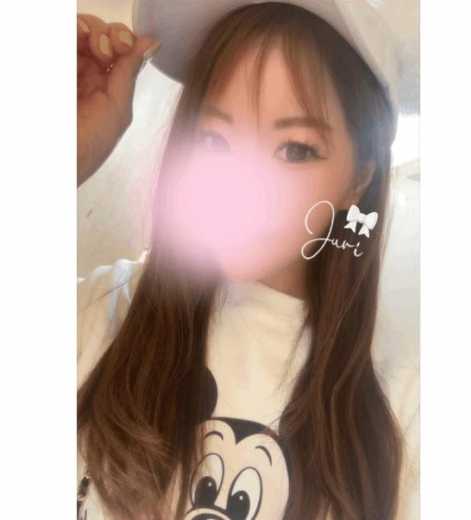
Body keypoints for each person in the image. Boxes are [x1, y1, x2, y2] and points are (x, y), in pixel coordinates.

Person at [77, 3, 419, 520]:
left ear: (359, 179)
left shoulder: (404, 407)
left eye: (295, 149)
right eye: (214, 139)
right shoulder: (99, 314)